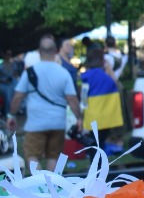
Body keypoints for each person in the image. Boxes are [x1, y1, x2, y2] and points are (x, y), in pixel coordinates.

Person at [10, 33, 80, 170]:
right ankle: (50, 182)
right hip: (58, 122)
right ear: (56, 51)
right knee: (53, 156)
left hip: (35, 123)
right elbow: (72, 99)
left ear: (39, 52)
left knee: (32, 155)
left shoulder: (30, 72)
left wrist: (11, 115)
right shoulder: (63, 73)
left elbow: (18, 97)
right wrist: (79, 118)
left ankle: (39, 182)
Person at [79, 43, 125, 149]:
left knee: (94, 143)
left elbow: (83, 97)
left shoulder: (85, 77)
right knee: (101, 142)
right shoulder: (106, 77)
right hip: (106, 117)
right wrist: (109, 68)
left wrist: (81, 115)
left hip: (91, 116)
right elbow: (115, 83)